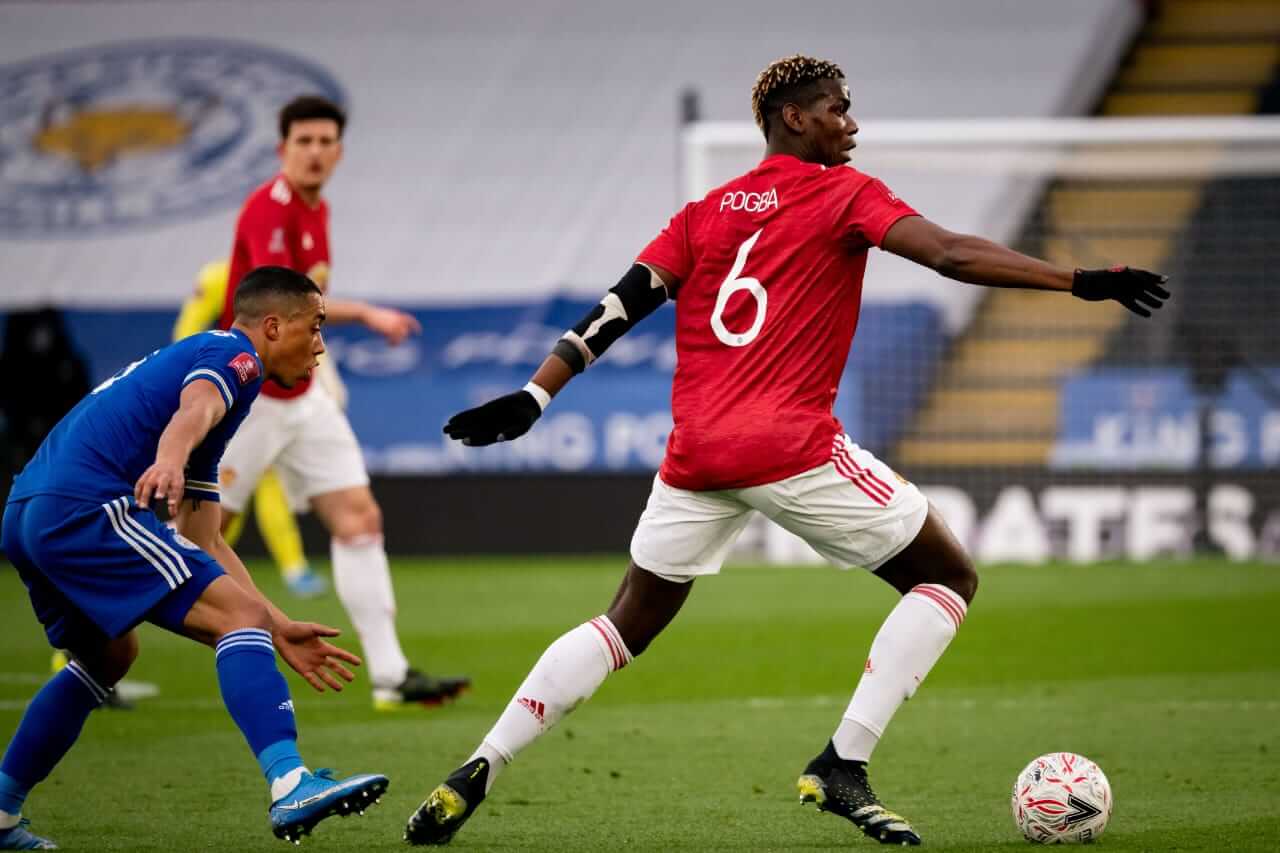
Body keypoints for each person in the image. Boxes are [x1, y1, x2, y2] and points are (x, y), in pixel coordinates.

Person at [404, 54, 1170, 847]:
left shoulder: (702, 214)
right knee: (949, 574)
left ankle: (478, 766)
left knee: (624, 622)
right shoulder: (845, 195)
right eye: (839, 107)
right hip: (789, 446)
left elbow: (618, 305)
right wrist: (1074, 280)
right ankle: (843, 761)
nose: (853, 123)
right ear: (795, 118)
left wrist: (537, 392)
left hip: (696, 455)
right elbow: (945, 253)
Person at [0, 267, 389, 849]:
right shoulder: (235, 357)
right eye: (315, 327)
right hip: (82, 507)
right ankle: (291, 784)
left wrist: (277, 626)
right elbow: (195, 410)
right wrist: (169, 460)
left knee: (108, 655)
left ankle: (2, 813)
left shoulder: (221, 379)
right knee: (237, 619)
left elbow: (204, 539)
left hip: (28, 510)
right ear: (275, 325)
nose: (320, 344)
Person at [218, 95, 469, 709]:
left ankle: (389, 675)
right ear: (283, 150)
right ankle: (91, 658)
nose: (315, 151)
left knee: (359, 517)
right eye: (303, 141)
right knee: (192, 535)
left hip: (303, 393)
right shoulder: (268, 212)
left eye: (325, 141)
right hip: (248, 394)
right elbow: (282, 309)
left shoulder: (316, 209)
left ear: (339, 151)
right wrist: (367, 314)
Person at [176, 259, 328, 598]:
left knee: (262, 481)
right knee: (225, 485)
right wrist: (207, 373)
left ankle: (292, 567)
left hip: (257, 388)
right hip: (226, 386)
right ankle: (186, 558)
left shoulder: (283, 283)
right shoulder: (218, 277)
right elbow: (187, 330)